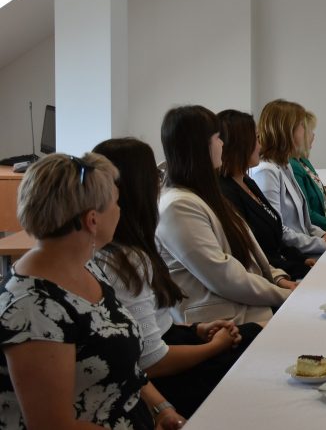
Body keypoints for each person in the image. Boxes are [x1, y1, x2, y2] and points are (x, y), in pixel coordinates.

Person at [1, 153, 185, 430]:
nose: (120, 211)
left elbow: (121, 361)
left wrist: (162, 409)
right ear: (92, 220)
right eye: (116, 203)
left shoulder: (87, 267)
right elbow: (54, 426)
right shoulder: (32, 307)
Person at [92, 137, 260, 418]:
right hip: (169, 378)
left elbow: (152, 324)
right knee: (260, 354)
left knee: (259, 336)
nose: (160, 183)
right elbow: (151, 362)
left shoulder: (130, 249)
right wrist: (213, 347)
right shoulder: (125, 261)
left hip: (174, 342)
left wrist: (197, 330)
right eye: (155, 177)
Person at [157, 105, 293, 325]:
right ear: (200, 146)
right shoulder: (178, 206)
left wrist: (277, 278)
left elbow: (247, 249)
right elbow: (225, 278)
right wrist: (287, 296)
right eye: (217, 138)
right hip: (223, 322)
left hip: (245, 307)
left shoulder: (204, 192)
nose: (222, 144)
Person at [217, 109, 312, 279]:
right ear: (240, 145)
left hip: (284, 267)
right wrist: (293, 268)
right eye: (256, 139)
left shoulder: (247, 182)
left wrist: (301, 259)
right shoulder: (226, 192)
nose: (260, 146)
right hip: (270, 276)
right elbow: (253, 252)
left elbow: (275, 234)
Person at [251, 99, 326, 254]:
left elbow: (303, 223)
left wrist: (322, 235)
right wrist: (320, 243)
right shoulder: (266, 171)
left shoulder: (285, 164)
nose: (305, 131)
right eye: (301, 126)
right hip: (293, 255)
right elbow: (277, 228)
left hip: (305, 247)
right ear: (287, 131)